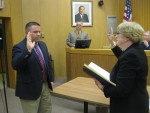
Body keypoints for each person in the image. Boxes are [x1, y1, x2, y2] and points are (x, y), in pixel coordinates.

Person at [95, 22, 149, 113]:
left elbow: (121, 91)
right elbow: (123, 56)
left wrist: (103, 88)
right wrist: (111, 43)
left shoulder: (131, 56)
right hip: (136, 101)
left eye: (118, 33)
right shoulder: (136, 49)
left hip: (129, 106)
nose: (116, 36)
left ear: (127, 37)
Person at [12, 21, 54, 113]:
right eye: (35, 32)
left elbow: (48, 62)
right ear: (27, 33)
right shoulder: (19, 47)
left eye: (39, 31)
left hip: (44, 86)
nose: (39, 34)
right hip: (29, 89)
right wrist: (28, 50)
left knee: (47, 110)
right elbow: (15, 65)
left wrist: (51, 78)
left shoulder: (42, 45)